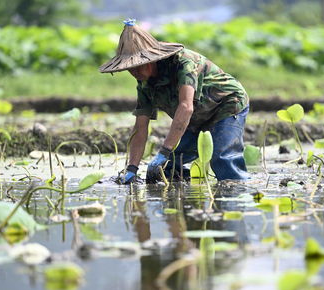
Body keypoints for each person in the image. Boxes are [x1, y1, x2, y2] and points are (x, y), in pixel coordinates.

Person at [99, 19, 250, 184]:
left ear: (151, 60)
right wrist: (132, 169)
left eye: (138, 66)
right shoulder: (144, 84)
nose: (134, 72)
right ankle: (182, 198)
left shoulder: (183, 63)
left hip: (226, 104)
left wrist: (163, 151)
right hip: (195, 118)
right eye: (130, 68)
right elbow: (140, 127)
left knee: (221, 156)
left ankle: (237, 190)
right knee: (169, 167)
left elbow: (186, 107)